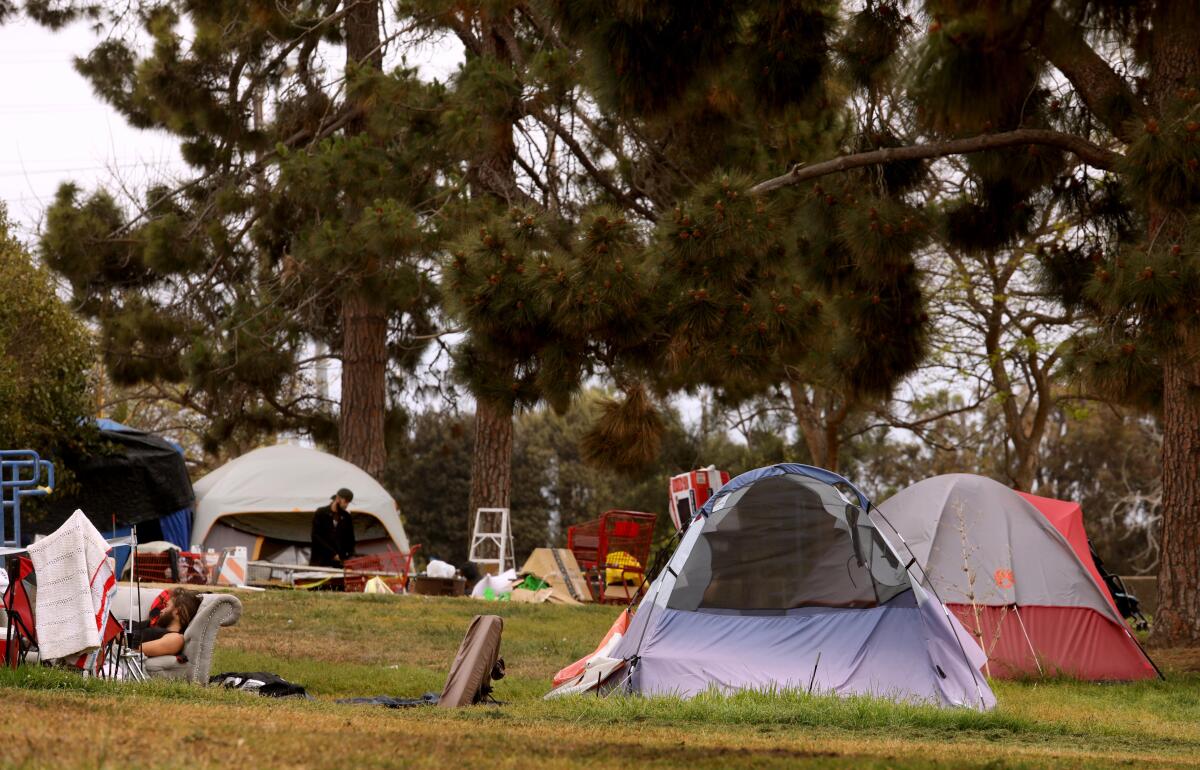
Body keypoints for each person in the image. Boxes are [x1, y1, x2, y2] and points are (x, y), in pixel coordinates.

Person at [127, 588, 202, 658]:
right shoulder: (154, 627)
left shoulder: (176, 639)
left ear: (177, 611)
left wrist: (119, 634)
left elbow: (133, 648)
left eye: (167, 606)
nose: (161, 610)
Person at [310, 487, 356, 567]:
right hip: (320, 561)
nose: (346, 505)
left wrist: (348, 555)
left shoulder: (346, 517)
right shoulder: (321, 513)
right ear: (337, 498)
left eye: (348, 503)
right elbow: (316, 536)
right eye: (345, 502)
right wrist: (332, 554)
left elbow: (350, 539)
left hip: (339, 563)